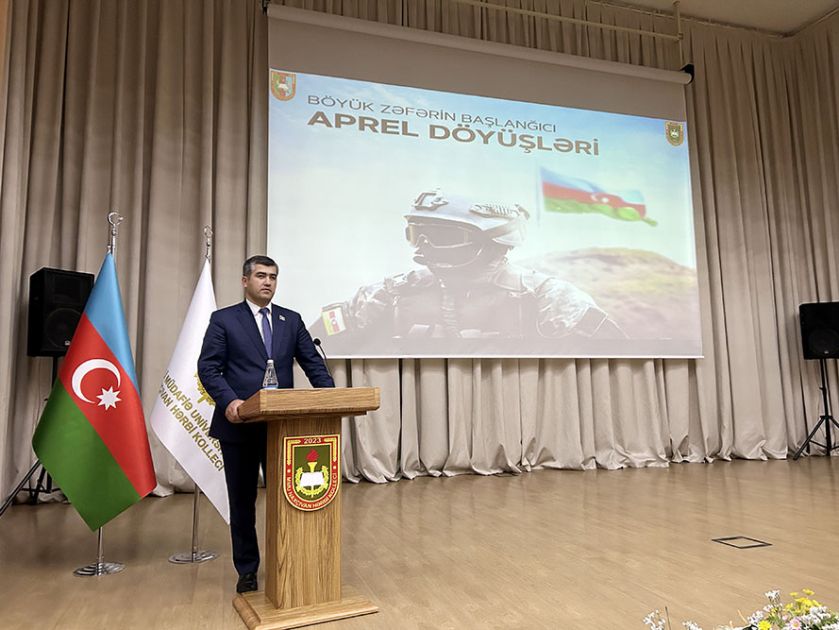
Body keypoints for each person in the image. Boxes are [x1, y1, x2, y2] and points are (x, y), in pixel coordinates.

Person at [310, 189, 622, 353]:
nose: (425, 246)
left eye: (442, 235)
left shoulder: (551, 299)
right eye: (418, 234)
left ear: (492, 240)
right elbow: (311, 348)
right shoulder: (387, 294)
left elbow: (614, 363)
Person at [197, 255, 334, 594]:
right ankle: (247, 569)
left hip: (283, 429)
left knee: (288, 499)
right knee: (242, 503)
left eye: (272, 276)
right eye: (261, 276)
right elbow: (208, 368)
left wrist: (329, 397)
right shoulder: (224, 320)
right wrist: (230, 401)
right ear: (245, 281)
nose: (267, 282)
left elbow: (312, 363)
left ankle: (288, 561)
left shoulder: (291, 320)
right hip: (239, 425)